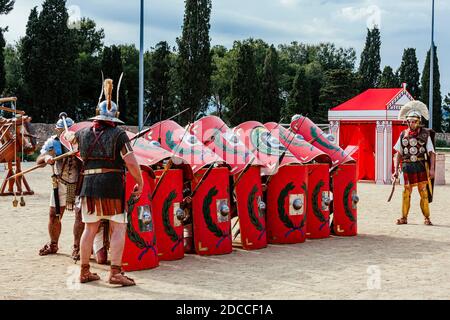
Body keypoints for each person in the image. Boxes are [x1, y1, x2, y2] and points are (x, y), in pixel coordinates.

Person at [66, 77, 143, 286]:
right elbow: (132, 163)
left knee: (90, 228)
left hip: (88, 187)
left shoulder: (81, 133)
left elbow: (80, 153)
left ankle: (83, 271)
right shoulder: (119, 135)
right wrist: (140, 182)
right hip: (111, 187)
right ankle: (115, 273)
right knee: (118, 227)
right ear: (115, 117)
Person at [36, 115, 84, 261]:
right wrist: (46, 158)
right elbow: (39, 160)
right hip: (60, 184)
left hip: (79, 184)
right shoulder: (53, 142)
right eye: (61, 130)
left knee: (80, 216)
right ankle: (53, 244)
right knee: (54, 215)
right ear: (57, 130)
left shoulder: (81, 141)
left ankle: (77, 247)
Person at [392, 100, 436, 226]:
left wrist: (432, 169)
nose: (412, 123)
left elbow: (431, 153)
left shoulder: (425, 135)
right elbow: (398, 153)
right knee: (406, 192)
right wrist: (395, 170)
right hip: (407, 166)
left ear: (419, 121)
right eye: (410, 121)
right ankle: (404, 217)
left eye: (415, 121)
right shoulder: (403, 134)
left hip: (420, 166)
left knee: (423, 192)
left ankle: (427, 217)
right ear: (407, 121)